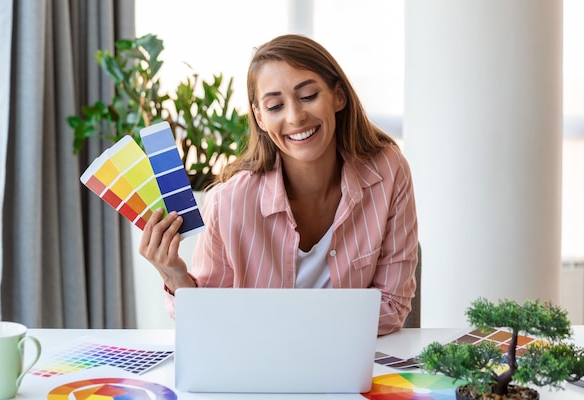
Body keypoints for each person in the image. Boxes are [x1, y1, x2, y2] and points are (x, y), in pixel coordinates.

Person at [139, 34, 418, 335]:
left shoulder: (388, 171)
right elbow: (209, 326)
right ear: (259, 117)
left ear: (339, 96)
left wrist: (278, 326)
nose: (295, 117)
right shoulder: (229, 202)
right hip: (259, 372)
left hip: (353, 367)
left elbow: (392, 307)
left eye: (309, 96)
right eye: (274, 106)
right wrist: (175, 275)